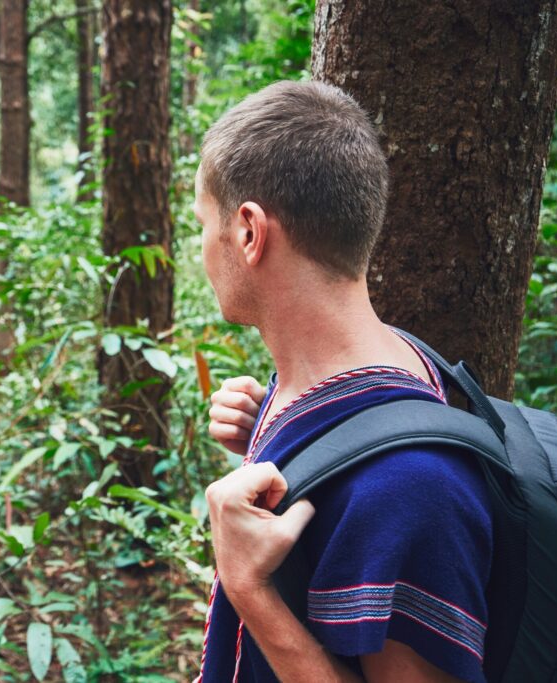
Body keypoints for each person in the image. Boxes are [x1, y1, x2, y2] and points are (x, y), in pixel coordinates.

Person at [194, 81, 492, 682]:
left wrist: (250, 587)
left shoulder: (411, 487)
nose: (202, 247)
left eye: (204, 223)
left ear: (249, 232)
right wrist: (276, 436)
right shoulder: (380, 367)